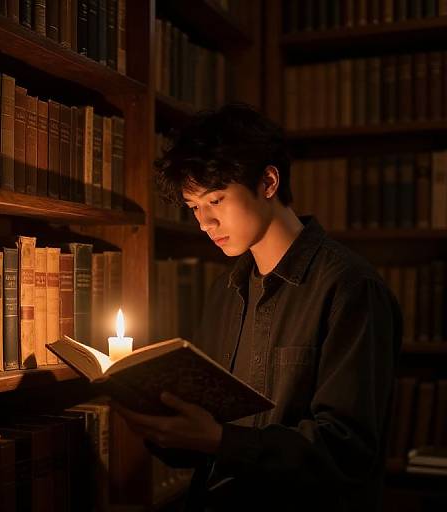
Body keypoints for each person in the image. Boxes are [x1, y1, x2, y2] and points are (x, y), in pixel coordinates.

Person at [114, 103, 402, 511]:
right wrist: (159, 422)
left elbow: (347, 450)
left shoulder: (350, 288)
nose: (204, 223)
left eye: (215, 200)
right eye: (194, 207)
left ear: (268, 182)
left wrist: (218, 439)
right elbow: (206, 437)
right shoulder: (226, 290)